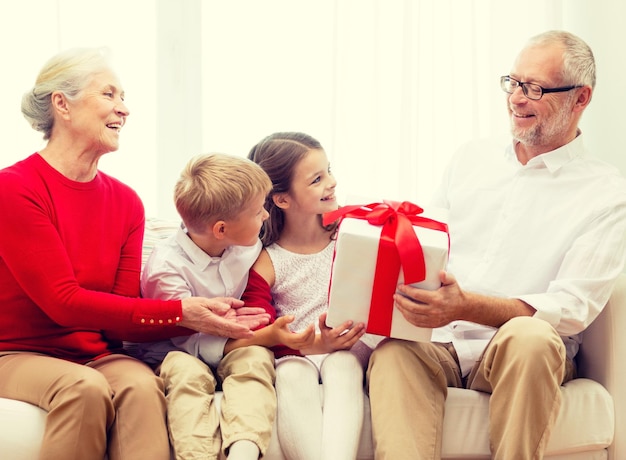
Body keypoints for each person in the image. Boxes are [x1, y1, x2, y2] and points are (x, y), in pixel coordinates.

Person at [366, 30, 626, 460]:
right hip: (443, 343)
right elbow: (431, 246)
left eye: (535, 88)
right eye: (514, 83)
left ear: (581, 99)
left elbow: (571, 308)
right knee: (394, 351)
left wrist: (466, 305)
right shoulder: (471, 158)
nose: (517, 99)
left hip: (521, 350)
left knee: (532, 337)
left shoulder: (606, 194)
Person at [0, 47, 267, 460]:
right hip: (16, 352)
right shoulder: (15, 189)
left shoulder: (125, 202)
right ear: (61, 105)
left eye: (123, 98)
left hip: (95, 354)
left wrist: (209, 317)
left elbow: (126, 313)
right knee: (83, 389)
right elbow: (62, 303)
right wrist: (180, 313)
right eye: (109, 95)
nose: (123, 109)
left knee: (143, 386)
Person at [134, 152, 288, 460]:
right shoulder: (166, 269)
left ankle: (243, 452)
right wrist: (247, 331)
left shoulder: (249, 243)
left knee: (256, 358)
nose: (266, 217)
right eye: (258, 212)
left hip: (233, 344)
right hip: (178, 350)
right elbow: (186, 340)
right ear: (221, 230)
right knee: (187, 374)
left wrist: (248, 330)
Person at [237, 131, 377, 460]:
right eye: (317, 179)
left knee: (343, 365)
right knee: (290, 373)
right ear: (282, 199)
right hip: (294, 355)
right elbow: (260, 327)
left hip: (348, 348)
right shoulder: (265, 260)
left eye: (329, 170)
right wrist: (309, 344)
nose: (332, 182)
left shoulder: (351, 235)